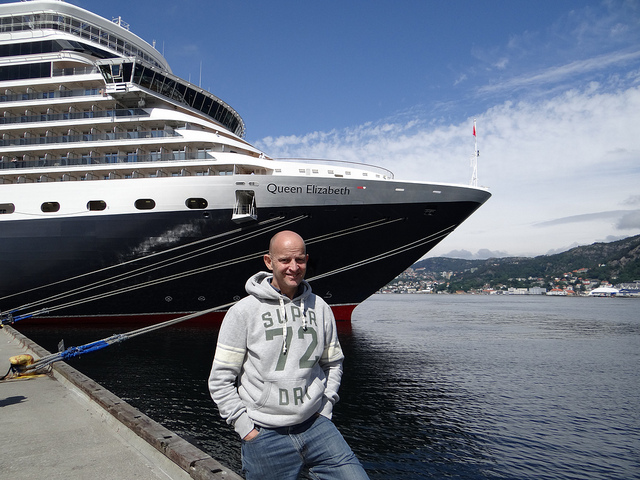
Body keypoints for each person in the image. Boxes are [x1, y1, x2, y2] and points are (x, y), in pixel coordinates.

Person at [208, 230, 369, 480]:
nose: (293, 267)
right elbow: (220, 379)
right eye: (285, 260)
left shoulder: (321, 308)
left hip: (316, 426)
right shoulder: (243, 312)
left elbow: (333, 362)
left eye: (300, 260)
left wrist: (325, 407)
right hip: (265, 434)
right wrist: (246, 428)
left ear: (307, 259)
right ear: (269, 262)